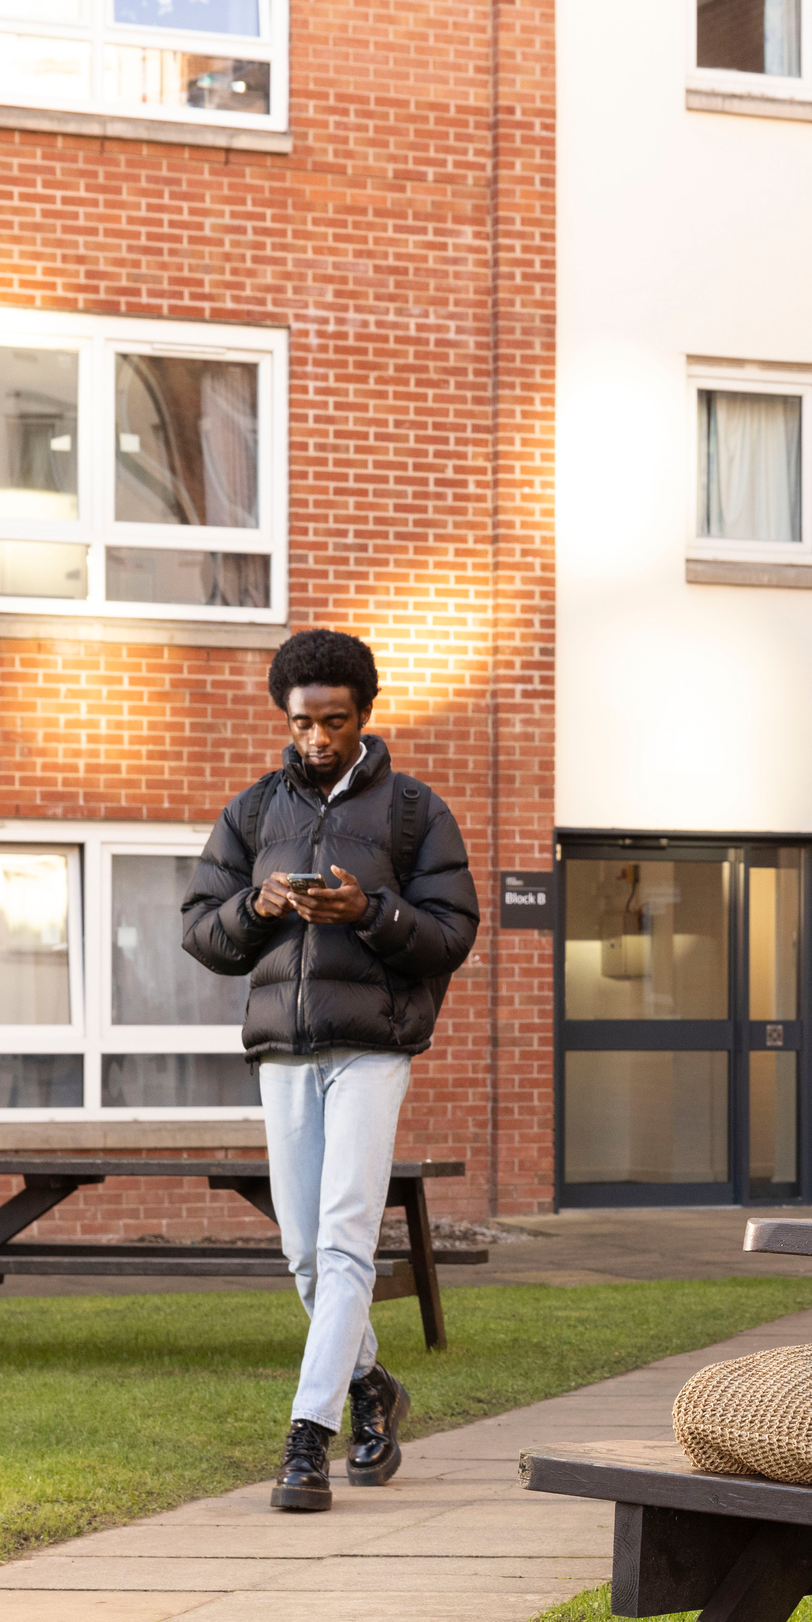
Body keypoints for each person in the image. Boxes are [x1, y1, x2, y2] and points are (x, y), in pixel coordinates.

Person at [183, 629, 479, 1514]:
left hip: (372, 1047)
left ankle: (307, 1439)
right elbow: (202, 930)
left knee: (347, 1236)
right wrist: (258, 905)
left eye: (336, 722)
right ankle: (371, 1388)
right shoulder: (250, 812)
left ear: (365, 714)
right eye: (304, 722)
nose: (318, 739)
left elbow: (451, 932)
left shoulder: (414, 813)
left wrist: (371, 910)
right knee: (305, 1252)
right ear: (286, 716)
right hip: (284, 1050)